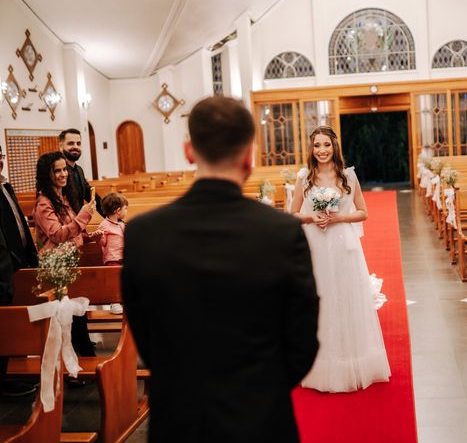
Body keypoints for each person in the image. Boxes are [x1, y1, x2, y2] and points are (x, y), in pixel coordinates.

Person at [122, 96, 319, 443]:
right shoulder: (281, 231)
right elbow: (302, 342)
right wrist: (261, 389)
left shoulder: (143, 233)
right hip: (262, 420)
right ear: (249, 155)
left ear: (189, 151)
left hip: (179, 420)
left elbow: (146, 339)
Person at [291, 126, 391, 393]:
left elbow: (363, 212)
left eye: (326, 145)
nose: (322, 150)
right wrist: (313, 217)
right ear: (311, 150)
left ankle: (353, 360)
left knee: (347, 297)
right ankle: (323, 364)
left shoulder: (348, 176)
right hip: (317, 246)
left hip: (343, 245)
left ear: (334, 147)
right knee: (322, 300)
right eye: (317, 146)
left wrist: (339, 218)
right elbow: (293, 214)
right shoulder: (305, 178)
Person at [33, 151, 100, 359]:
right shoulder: (45, 203)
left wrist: (89, 238)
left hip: (69, 265)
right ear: (47, 174)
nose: (63, 174)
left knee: (77, 319)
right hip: (56, 270)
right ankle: (75, 366)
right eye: (57, 171)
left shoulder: (63, 198)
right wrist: (85, 214)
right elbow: (58, 234)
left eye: (64, 170)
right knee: (68, 322)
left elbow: (72, 231)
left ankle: (85, 359)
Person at [0, 146, 39, 397]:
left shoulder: (5, 185)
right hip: (5, 267)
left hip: (15, 262)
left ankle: (9, 374)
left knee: (12, 324)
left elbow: (17, 224)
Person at [59, 128, 104, 217]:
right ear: (61, 146)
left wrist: (109, 215)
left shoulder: (79, 169)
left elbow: (89, 194)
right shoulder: (58, 171)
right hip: (65, 223)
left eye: (78, 143)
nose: (75, 146)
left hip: (79, 223)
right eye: (70, 143)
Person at [97, 192, 128, 315]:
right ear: (117, 210)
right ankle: (114, 302)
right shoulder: (104, 225)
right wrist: (99, 237)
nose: (127, 211)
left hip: (123, 258)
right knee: (114, 281)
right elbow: (103, 243)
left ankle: (125, 299)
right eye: (126, 208)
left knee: (124, 279)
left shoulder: (121, 224)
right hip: (112, 258)